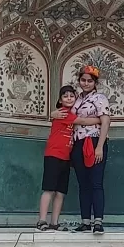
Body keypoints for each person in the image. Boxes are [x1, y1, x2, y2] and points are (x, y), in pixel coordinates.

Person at [53, 65, 111, 234]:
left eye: (89, 81)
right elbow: (63, 113)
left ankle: (98, 222)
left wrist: (99, 147)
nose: (86, 83)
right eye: (83, 80)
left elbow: (105, 122)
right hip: (78, 142)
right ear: (79, 81)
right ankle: (85, 221)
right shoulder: (76, 99)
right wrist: (52, 113)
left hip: (94, 141)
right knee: (83, 184)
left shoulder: (100, 98)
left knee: (96, 183)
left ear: (95, 83)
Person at [36, 85, 100, 231]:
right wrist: (101, 119)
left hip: (65, 158)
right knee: (49, 189)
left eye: (72, 96)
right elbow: (83, 122)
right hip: (53, 155)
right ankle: (41, 221)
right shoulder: (63, 113)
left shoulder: (69, 113)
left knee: (60, 192)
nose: (69, 98)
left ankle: (54, 223)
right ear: (60, 100)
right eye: (65, 96)